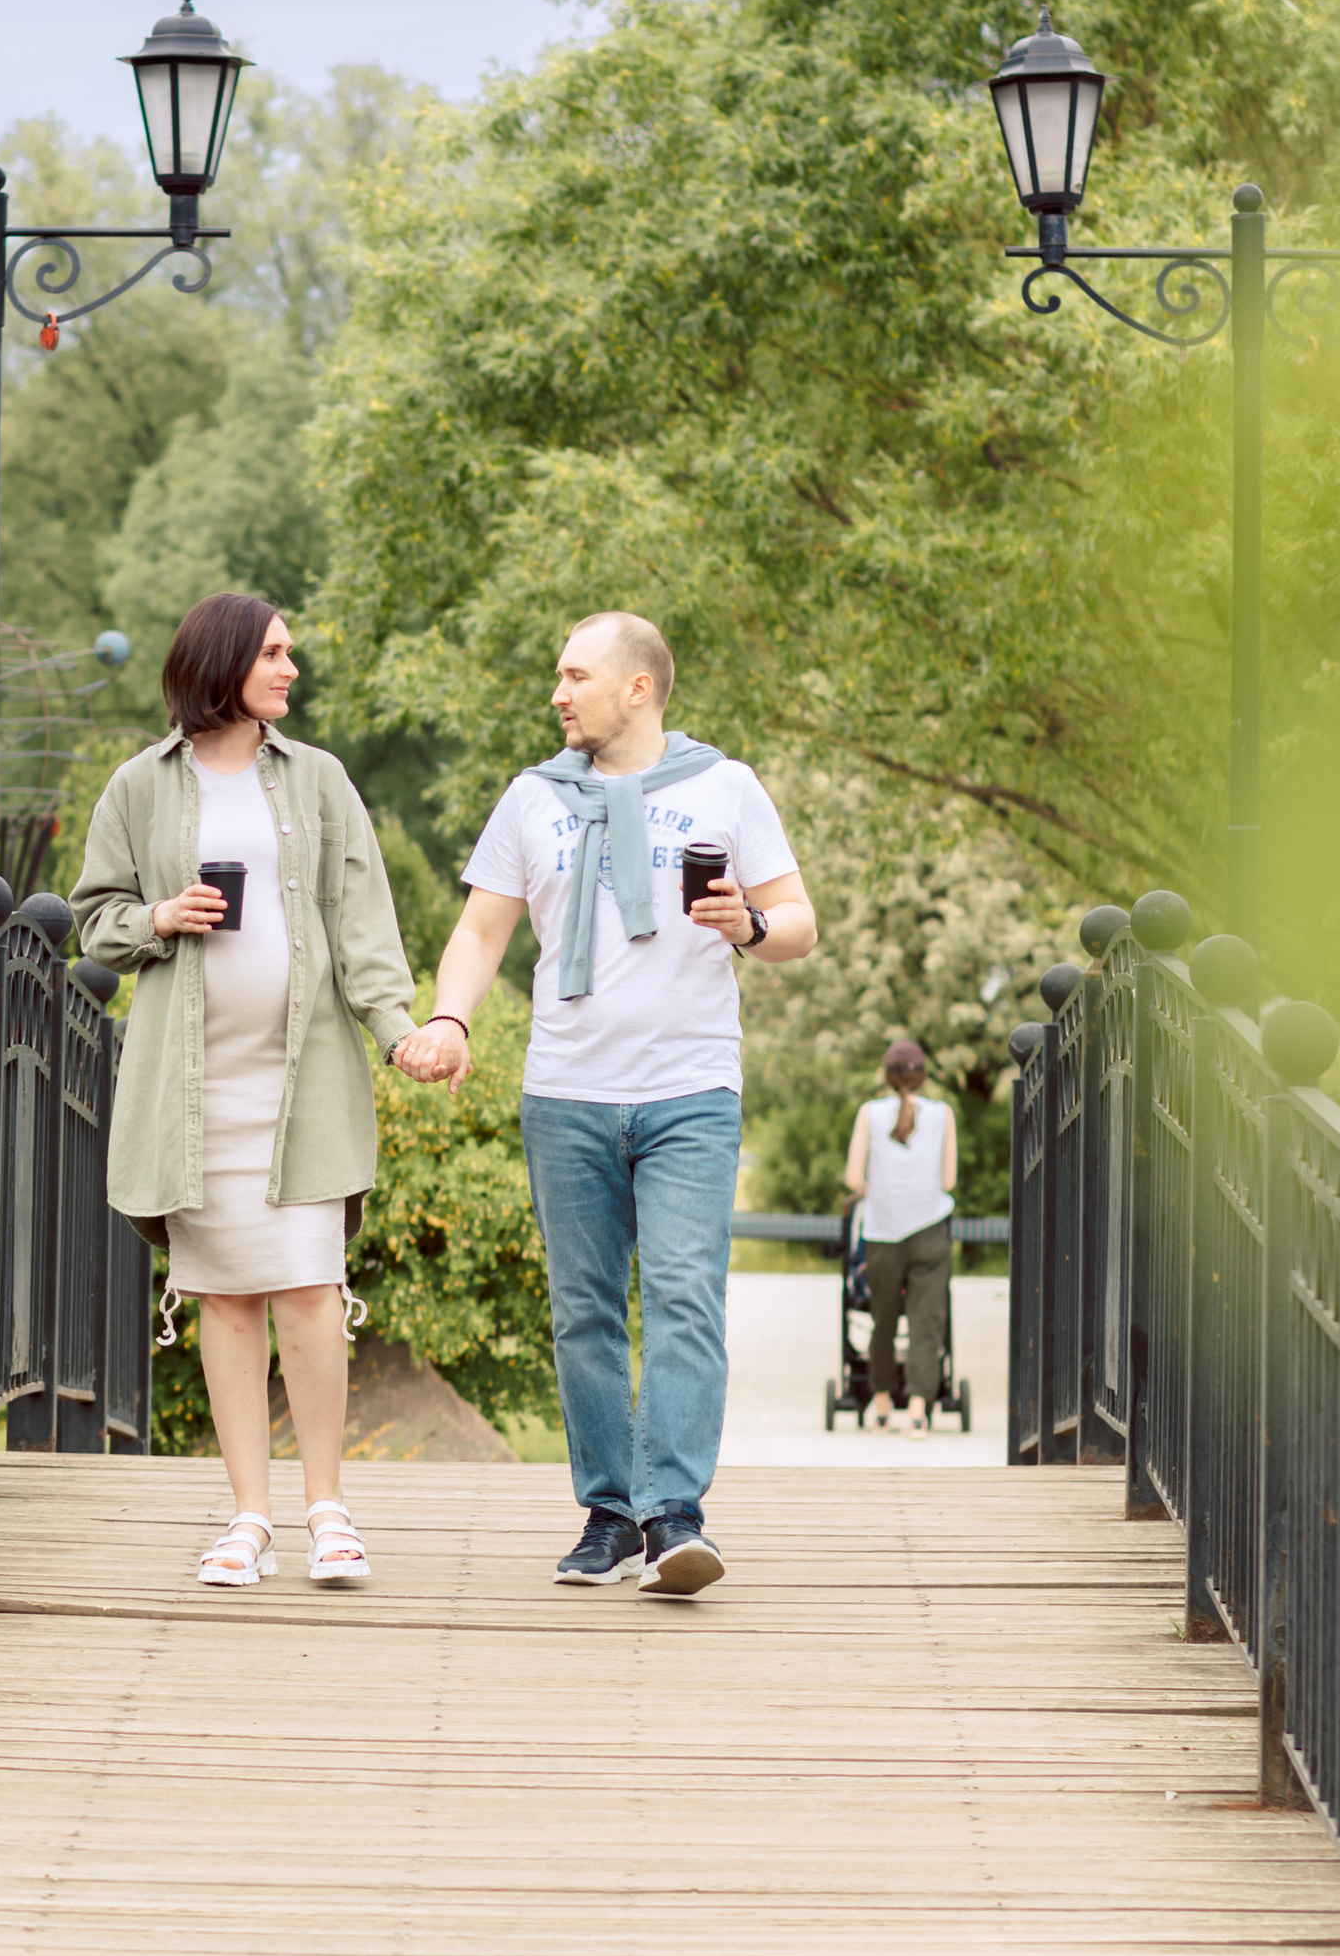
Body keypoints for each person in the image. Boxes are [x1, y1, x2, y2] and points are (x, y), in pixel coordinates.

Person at [401, 613, 817, 1594]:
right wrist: (451, 1019)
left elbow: (799, 923)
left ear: (638, 687)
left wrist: (749, 924)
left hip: (690, 1091)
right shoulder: (532, 798)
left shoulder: (725, 786)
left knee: (683, 1299)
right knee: (583, 1309)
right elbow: (480, 932)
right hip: (566, 1091)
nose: (558, 693)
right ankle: (609, 1515)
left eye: (575, 675)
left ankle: (674, 1516)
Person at [74, 592, 451, 1590]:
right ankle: (249, 1517)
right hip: (192, 1091)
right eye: (274, 654)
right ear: (222, 663)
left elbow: (363, 924)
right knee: (226, 1298)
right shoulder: (138, 786)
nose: (290, 669)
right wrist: (160, 916)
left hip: (303, 1081)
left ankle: (328, 1509)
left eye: (290, 653)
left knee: (311, 1289)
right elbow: (94, 920)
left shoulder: (320, 780)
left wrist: (398, 1033)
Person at [843, 1040, 957, 1434]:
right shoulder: (943, 1114)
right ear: (922, 1076)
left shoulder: (869, 1114)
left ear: (887, 1076)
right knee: (927, 1321)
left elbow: (853, 1178)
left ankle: (880, 1402)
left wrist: (877, 1188)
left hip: (883, 1232)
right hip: (930, 1232)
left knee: (883, 1319)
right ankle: (918, 1410)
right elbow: (948, 1181)